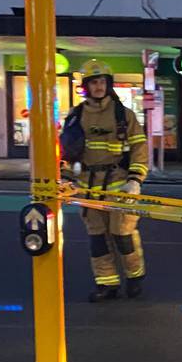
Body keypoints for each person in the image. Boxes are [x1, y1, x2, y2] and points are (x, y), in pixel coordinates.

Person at [65, 60, 150, 302]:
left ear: (108, 84)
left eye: (102, 81)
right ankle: (107, 284)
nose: (99, 86)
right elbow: (68, 152)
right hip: (88, 189)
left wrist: (135, 180)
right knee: (98, 240)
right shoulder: (76, 115)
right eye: (94, 82)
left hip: (119, 186)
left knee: (123, 236)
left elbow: (139, 150)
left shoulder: (124, 115)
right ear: (87, 86)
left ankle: (135, 277)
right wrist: (66, 178)